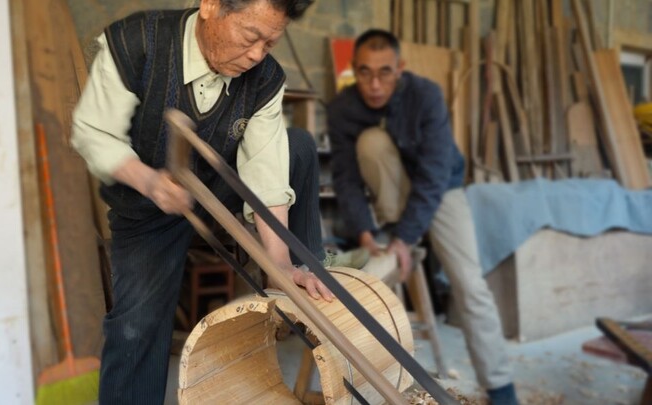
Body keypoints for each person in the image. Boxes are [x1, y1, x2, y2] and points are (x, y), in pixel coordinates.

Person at [70, 1, 358, 403]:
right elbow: (93, 134)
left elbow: (265, 171)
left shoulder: (265, 79)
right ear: (210, 5)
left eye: (271, 42)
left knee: (298, 147)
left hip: (222, 191)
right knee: (138, 324)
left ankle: (302, 272)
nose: (258, 53)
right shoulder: (136, 43)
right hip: (148, 202)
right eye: (251, 36)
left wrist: (277, 264)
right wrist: (150, 181)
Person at [326, 29, 520, 405]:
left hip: (441, 188)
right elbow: (346, 179)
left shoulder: (426, 96)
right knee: (371, 142)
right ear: (353, 70)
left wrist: (404, 239)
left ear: (401, 69)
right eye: (365, 73)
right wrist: (365, 233)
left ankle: (502, 389)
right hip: (394, 198)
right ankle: (393, 230)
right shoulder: (343, 109)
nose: (375, 84)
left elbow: (433, 177)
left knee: (469, 283)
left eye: (385, 72)